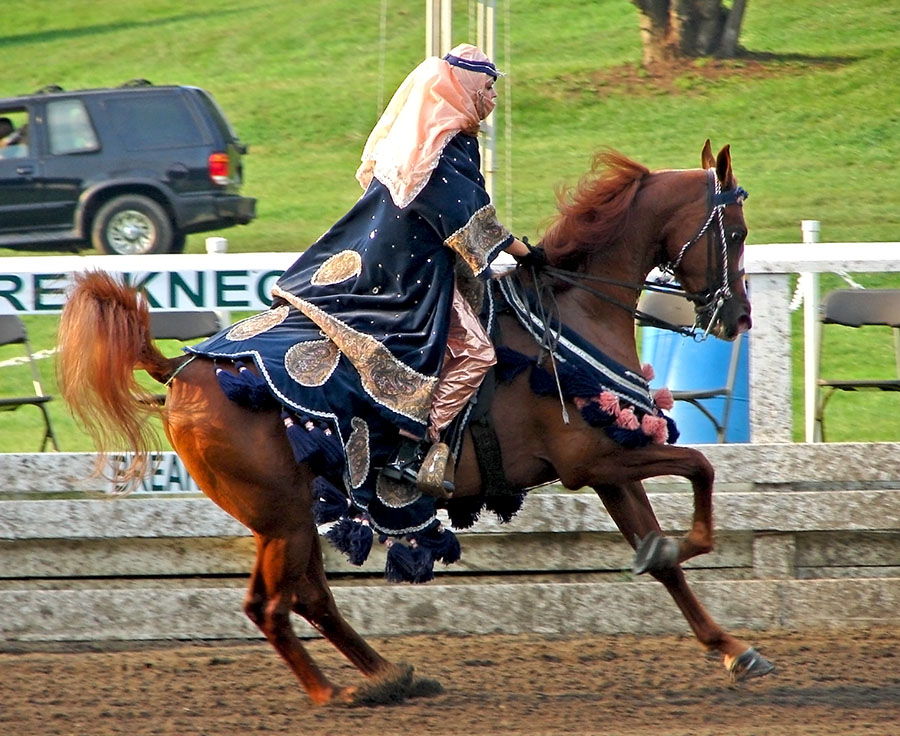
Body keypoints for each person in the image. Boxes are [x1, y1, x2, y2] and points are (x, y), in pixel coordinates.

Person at [190, 43, 533, 502]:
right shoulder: (444, 144)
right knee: (474, 353)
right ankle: (415, 449)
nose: (492, 98)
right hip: (412, 274)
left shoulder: (416, 138)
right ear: (465, 87)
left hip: (383, 258)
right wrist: (526, 251)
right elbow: (467, 216)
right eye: (488, 87)